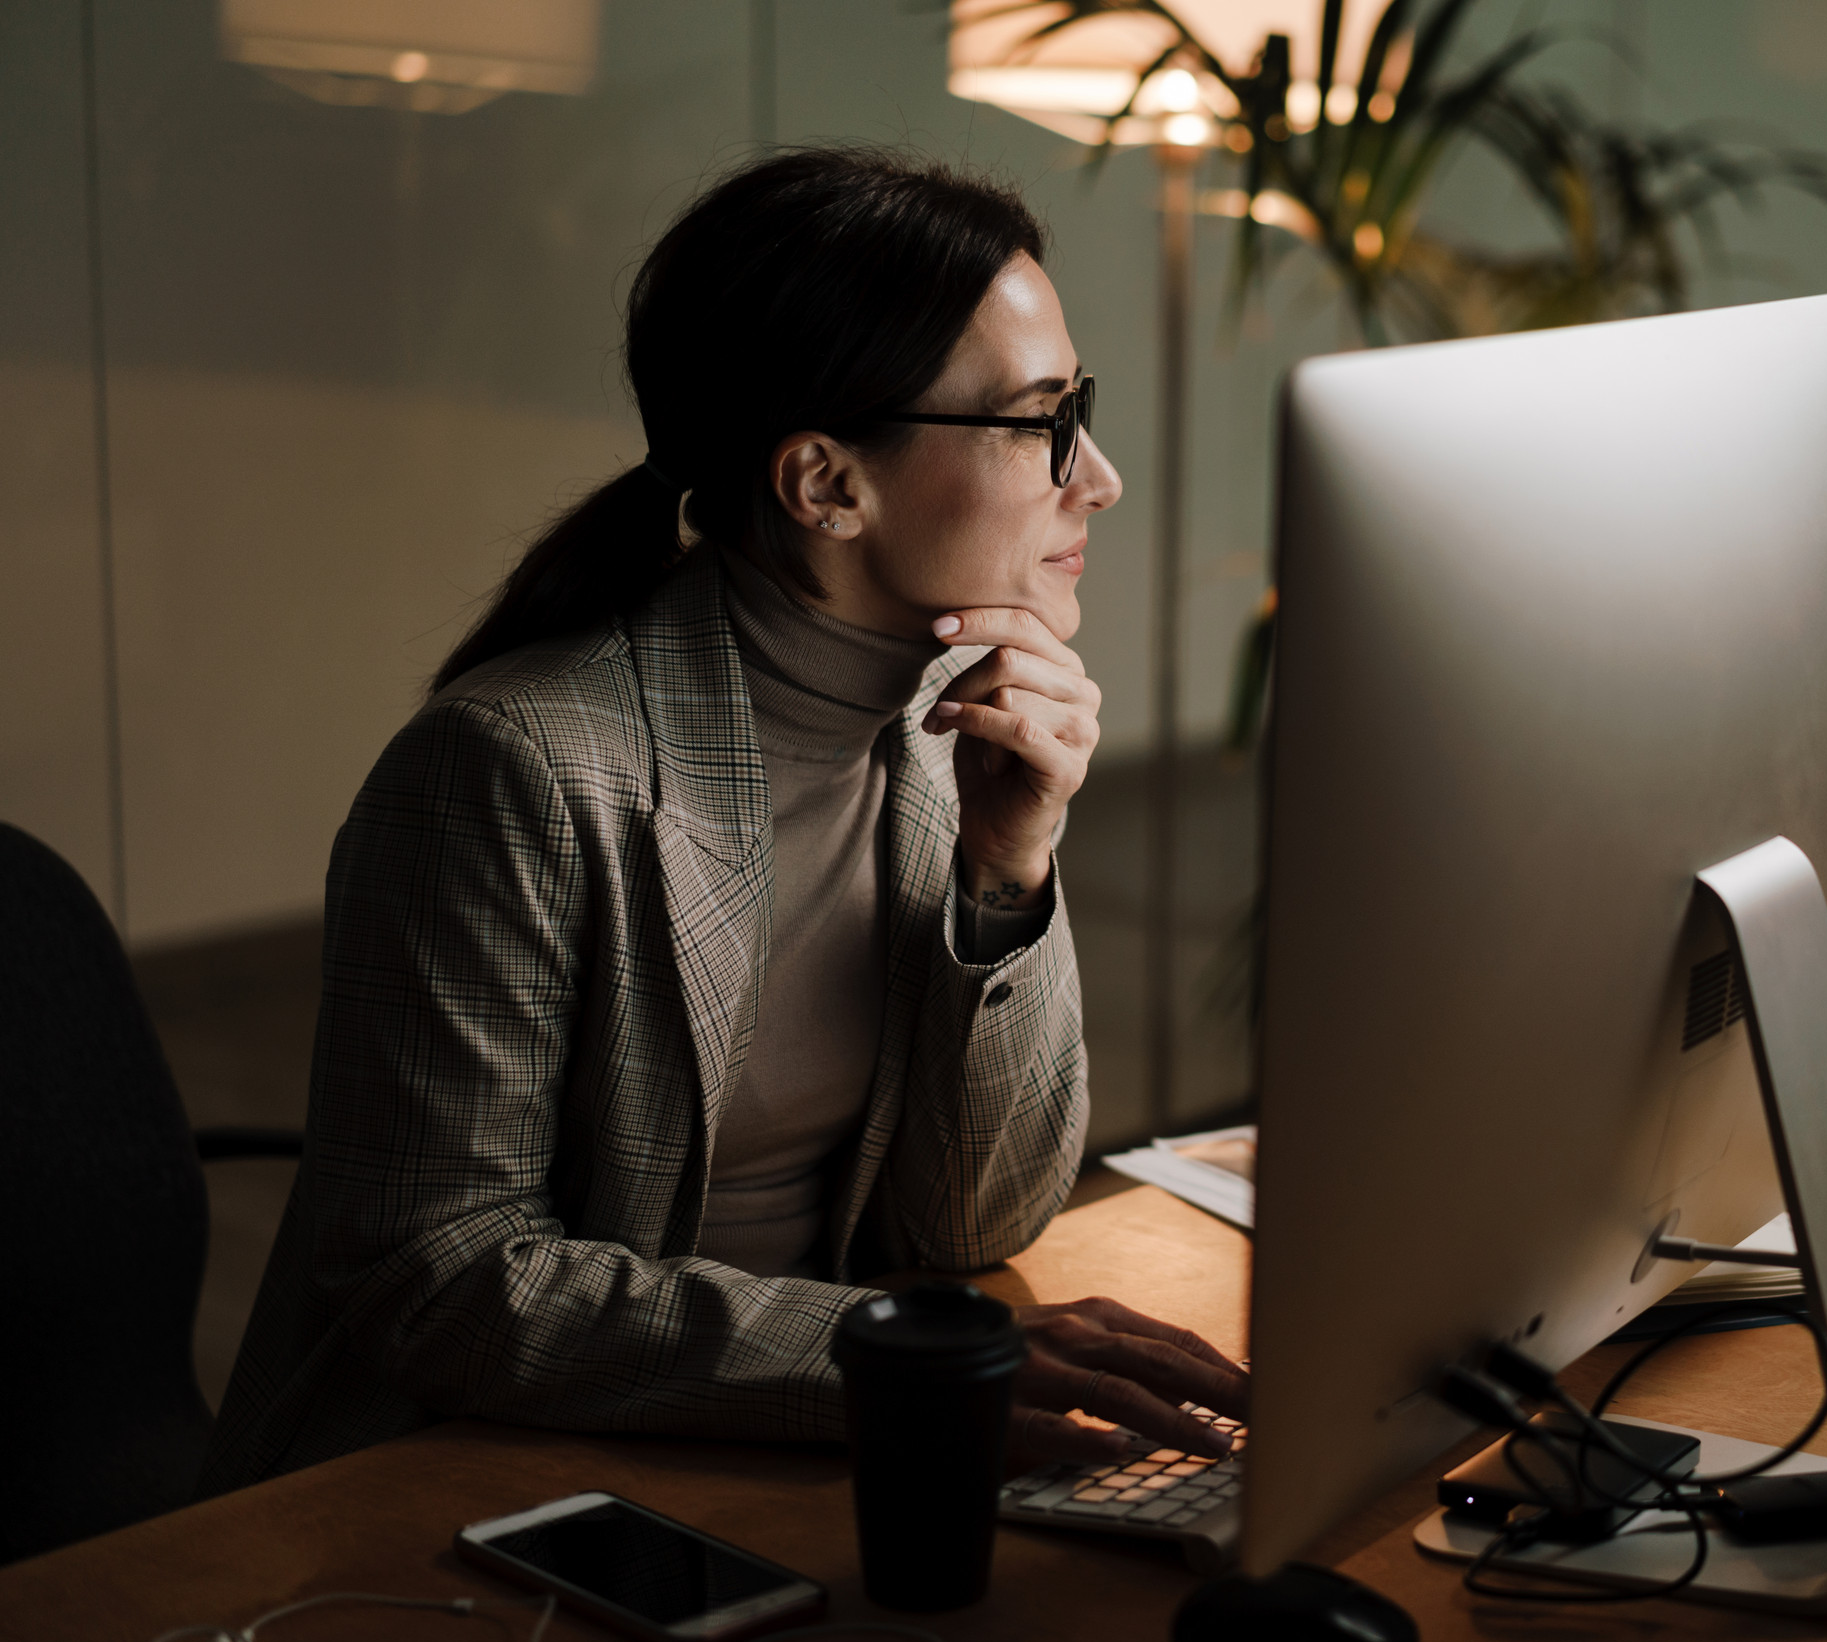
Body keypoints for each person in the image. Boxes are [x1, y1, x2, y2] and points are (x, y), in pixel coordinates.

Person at [199, 148, 1249, 1494]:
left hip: (781, 1440)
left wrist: (1009, 863)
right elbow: (438, 1278)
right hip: (471, 1486)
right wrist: (882, 1351)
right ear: (825, 485)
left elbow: (981, 1217)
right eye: (1041, 419)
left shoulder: (953, 719)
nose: (1094, 476)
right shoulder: (509, 768)